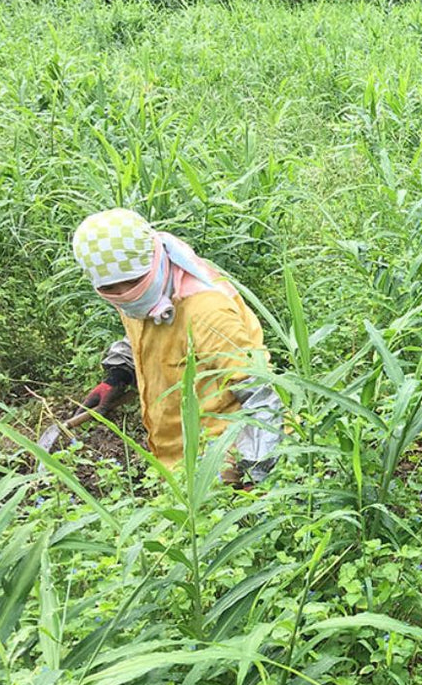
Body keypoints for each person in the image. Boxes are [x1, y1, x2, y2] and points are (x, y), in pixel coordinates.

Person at [72, 208, 282, 485]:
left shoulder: (206, 312)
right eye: (111, 289)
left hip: (219, 464)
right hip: (172, 459)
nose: (126, 295)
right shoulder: (145, 292)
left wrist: (257, 475)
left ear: (154, 260)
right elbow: (145, 334)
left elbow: (260, 394)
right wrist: (118, 376)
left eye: (133, 283)